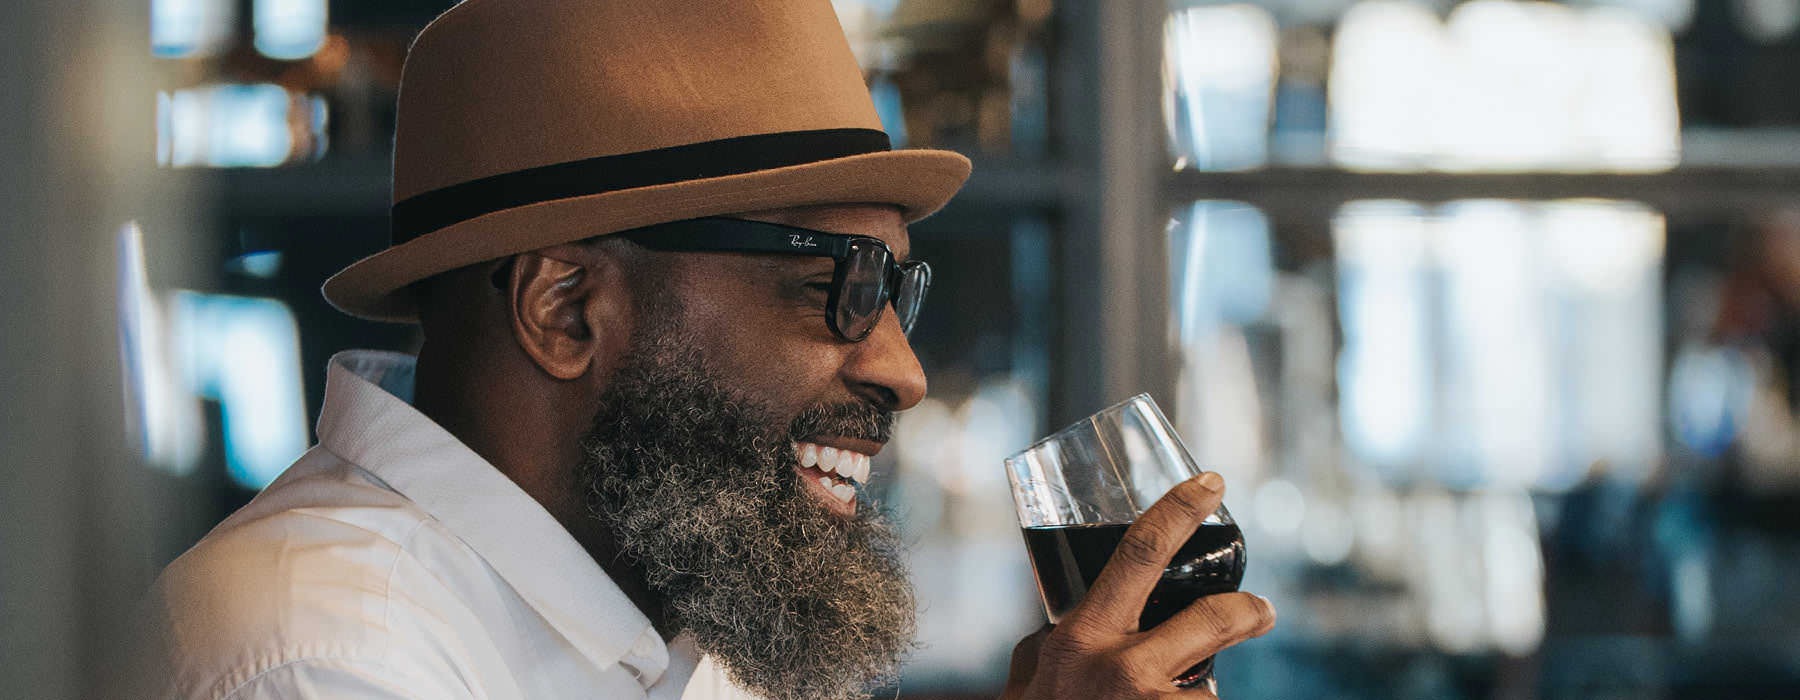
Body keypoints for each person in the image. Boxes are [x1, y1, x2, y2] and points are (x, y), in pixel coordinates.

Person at [124, 1, 1275, 699]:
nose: (904, 370)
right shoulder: (320, 654)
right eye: (839, 286)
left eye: (897, 289)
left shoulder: (674, 608)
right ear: (566, 308)